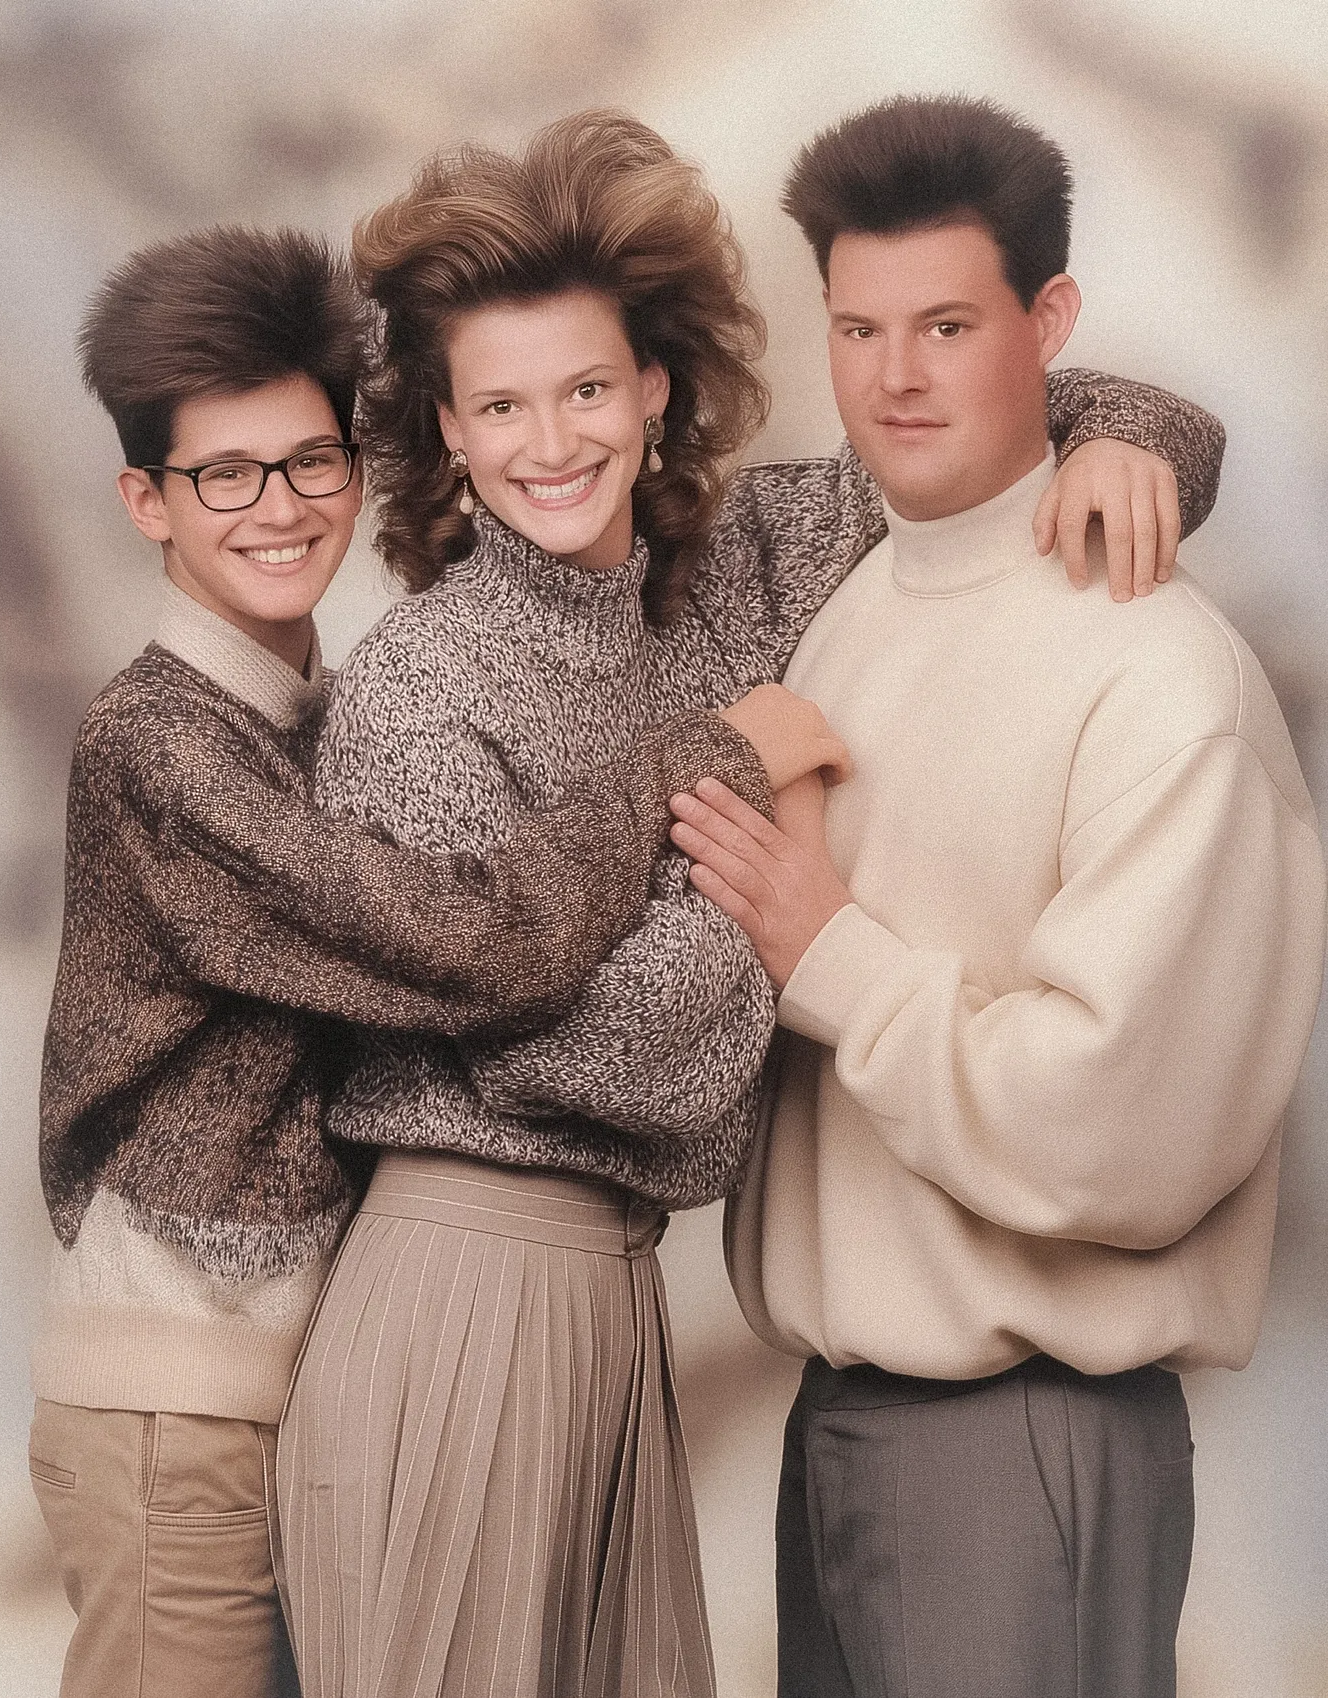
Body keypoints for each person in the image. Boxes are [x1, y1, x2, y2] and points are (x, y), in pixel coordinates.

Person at [276, 111, 1227, 1698]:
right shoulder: (417, 693)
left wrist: (1134, 434)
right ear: (443, 431)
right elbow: (580, 1058)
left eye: (585, 387)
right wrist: (759, 819)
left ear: (654, 389)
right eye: (497, 405)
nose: (551, 441)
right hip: (454, 1292)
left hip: (611, 1299)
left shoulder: (735, 565)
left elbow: (972, 427)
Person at [28, 223, 838, 1698]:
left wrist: (1109, 432)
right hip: (179, 1405)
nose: (277, 507)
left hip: (297, 1362)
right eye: (224, 475)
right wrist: (709, 763)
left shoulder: (303, 710)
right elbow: (468, 947)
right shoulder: (159, 749)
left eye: (309, 461)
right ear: (147, 500)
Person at [667, 95, 1328, 1698]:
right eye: (859, 327)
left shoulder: (1157, 675)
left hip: (1024, 1437)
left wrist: (830, 952)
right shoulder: (837, 600)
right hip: (842, 1417)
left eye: (948, 324)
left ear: (1049, 323)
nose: (895, 375)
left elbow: (1123, 1125)